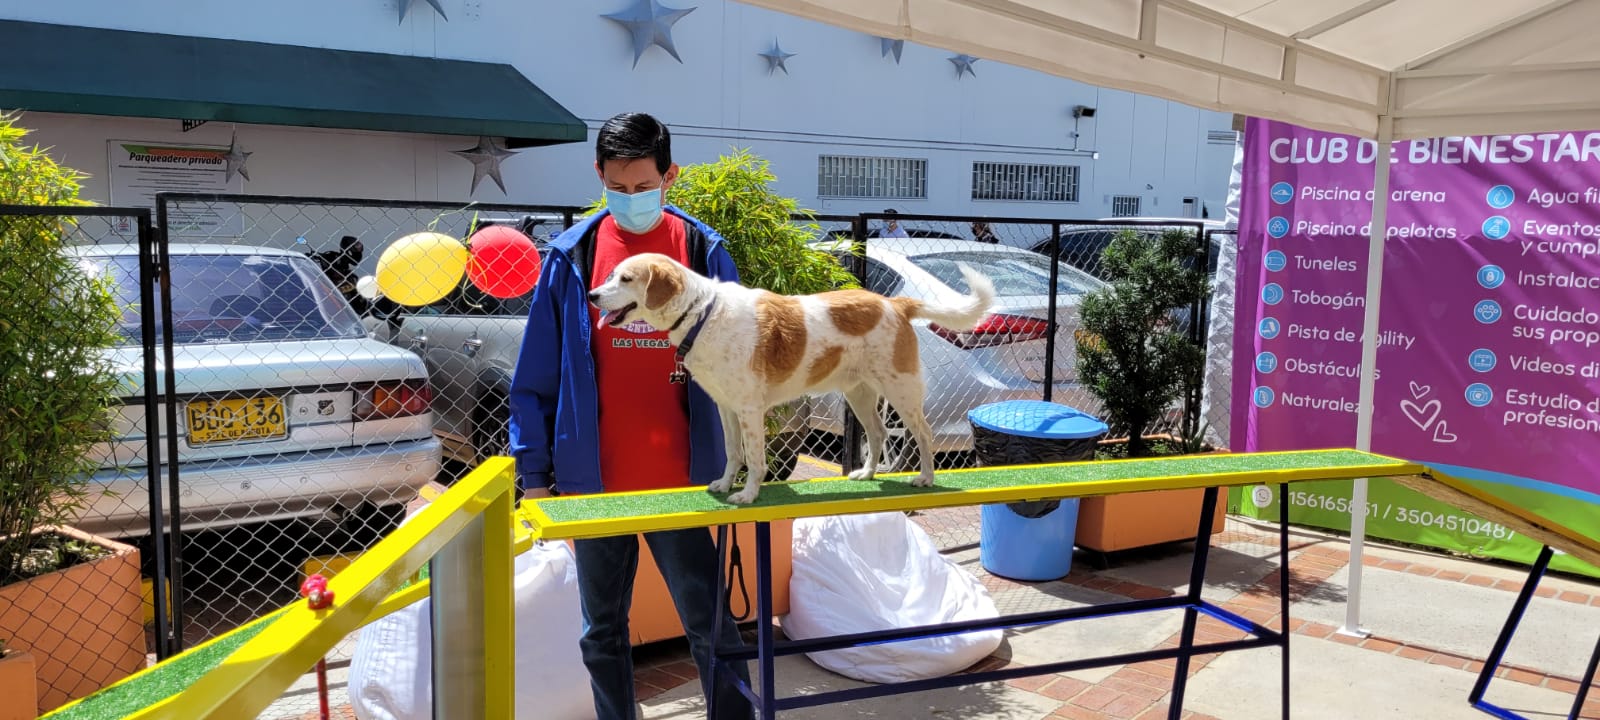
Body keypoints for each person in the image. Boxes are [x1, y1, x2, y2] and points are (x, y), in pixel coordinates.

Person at [507, 112, 753, 720]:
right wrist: (534, 476)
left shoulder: (702, 250)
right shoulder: (572, 255)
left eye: (644, 186)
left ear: (670, 176)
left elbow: (743, 359)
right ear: (599, 174)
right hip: (595, 485)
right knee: (602, 633)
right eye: (617, 186)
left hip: (684, 482)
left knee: (711, 626)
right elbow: (535, 376)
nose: (631, 197)